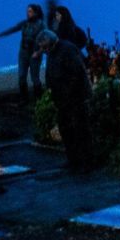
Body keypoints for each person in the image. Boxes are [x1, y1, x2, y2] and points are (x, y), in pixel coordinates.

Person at [36, 30, 94, 171]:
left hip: (75, 97)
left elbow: (77, 72)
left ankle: (87, 162)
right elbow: (50, 71)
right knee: (66, 129)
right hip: (61, 98)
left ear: (49, 42)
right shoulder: (52, 52)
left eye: (43, 47)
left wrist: (68, 91)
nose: (42, 51)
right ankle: (73, 160)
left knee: (81, 129)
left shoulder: (67, 49)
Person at [0, 3, 46, 101]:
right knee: (21, 76)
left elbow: (47, 40)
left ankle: (39, 101)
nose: (28, 13)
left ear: (36, 13)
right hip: (23, 54)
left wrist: (38, 52)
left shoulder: (41, 24)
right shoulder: (24, 23)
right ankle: (24, 99)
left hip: (34, 55)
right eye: (27, 11)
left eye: (30, 11)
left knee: (35, 78)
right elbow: (12, 30)